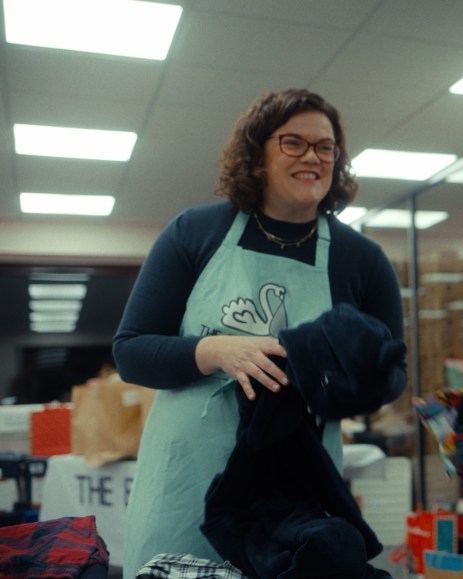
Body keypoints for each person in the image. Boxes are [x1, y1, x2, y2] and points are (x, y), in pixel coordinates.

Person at [113, 88, 407, 578]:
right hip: (188, 479)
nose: (312, 156)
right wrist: (214, 350)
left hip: (297, 488)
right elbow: (131, 351)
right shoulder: (195, 233)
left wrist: (340, 379)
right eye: (293, 143)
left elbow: (393, 371)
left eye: (325, 147)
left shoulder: (361, 260)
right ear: (257, 152)